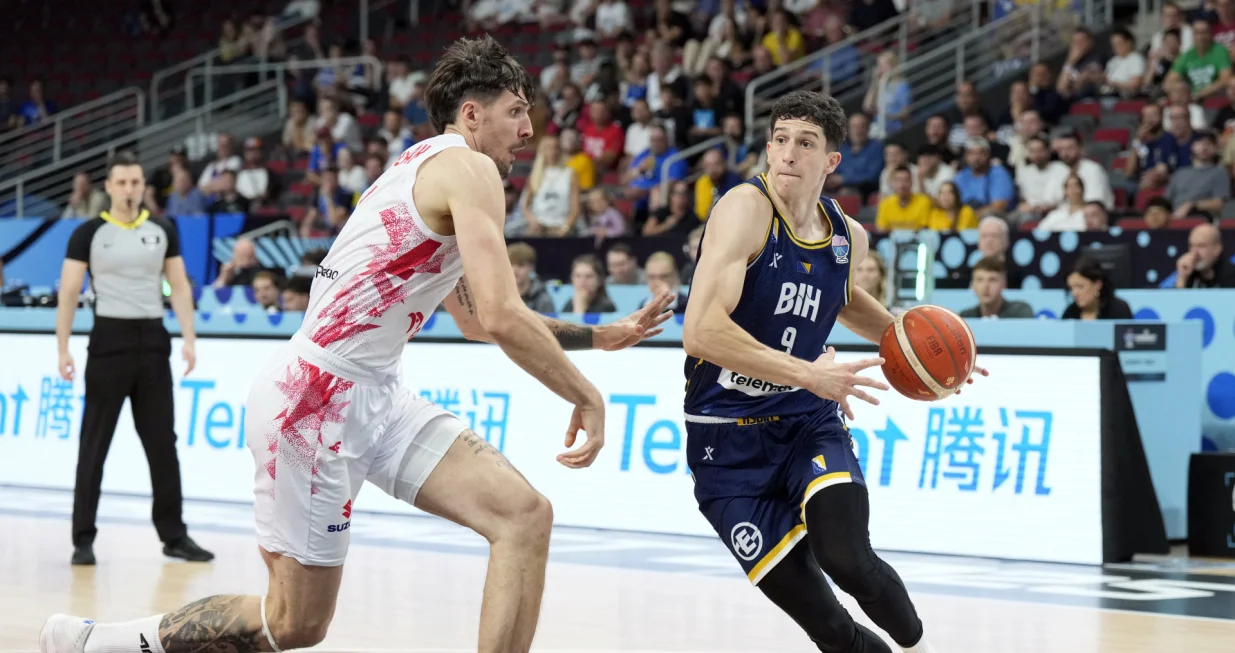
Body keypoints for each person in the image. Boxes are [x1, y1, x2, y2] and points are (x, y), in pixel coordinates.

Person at [41, 35, 674, 653]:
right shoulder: (468, 166)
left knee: (523, 517)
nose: (528, 130)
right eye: (516, 112)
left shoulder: (423, 167)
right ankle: (103, 642)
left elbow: (478, 319)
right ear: (472, 114)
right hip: (313, 401)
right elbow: (504, 317)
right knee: (293, 624)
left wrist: (600, 335)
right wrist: (585, 393)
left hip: (376, 394)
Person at [681, 89, 985, 653]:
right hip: (725, 446)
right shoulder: (744, 210)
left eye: (805, 143)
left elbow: (841, 297)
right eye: (779, 140)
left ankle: (918, 643)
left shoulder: (848, 236)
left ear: (831, 162)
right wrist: (807, 373)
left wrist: (930, 355)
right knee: (829, 628)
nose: (788, 154)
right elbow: (701, 332)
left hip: (804, 424)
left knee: (849, 559)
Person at [53, 151, 213, 567]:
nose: (129, 189)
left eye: (136, 182)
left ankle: (174, 535)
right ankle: (82, 539)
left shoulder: (162, 229)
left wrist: (189, 338)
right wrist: (62, 347)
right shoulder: (88, 232)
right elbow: (69, 291)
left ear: (144, 186)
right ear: (109, 187)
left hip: (153, 340)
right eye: (122, 183)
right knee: (95, 443)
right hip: (109, 339)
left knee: (163, 443)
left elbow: (178, 286)